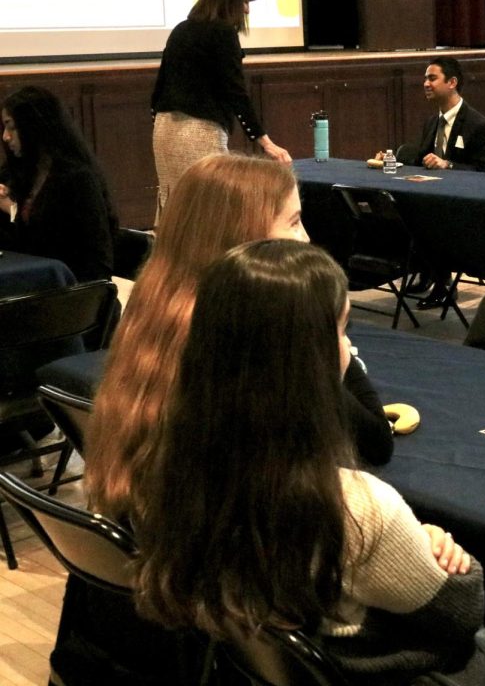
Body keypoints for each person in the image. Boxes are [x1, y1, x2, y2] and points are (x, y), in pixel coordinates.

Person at [132, 239, 485, 686]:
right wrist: (441, 555)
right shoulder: (355, 506)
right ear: (308, 360)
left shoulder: (171, 466)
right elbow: (461, 615)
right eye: (341, 332)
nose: (348, 348)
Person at [89, 155, 393, 522]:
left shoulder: (153, 308)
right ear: (245, 237)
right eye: (294, 223)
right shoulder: (248, 336)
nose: (307, 238)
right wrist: (334, 353)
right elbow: (374, 442)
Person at [151, 0, 290, 210]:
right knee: (209, 210)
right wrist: (265, 142)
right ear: (229, 0)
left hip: (164, 131)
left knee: (175, 209)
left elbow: (159, 87)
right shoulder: (223, 33)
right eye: (245, 1)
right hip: (198, 132)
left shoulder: (181, 29)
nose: (247, 10)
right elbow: (235, 91)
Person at [0, 86, 118, 281]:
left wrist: (12, 210)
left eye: (12, 127)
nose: (6, 136)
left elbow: (95, 260)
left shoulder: (77, 180)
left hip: (69, 290)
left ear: (34, 127)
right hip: (35, 282)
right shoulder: (18, 173)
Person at [418, 56, 485, 172]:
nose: (426, 84)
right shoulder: (431, 123)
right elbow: (419, 163)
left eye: (432, 79)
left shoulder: (478, 125)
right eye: (425, 79)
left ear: (452, 82)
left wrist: (448, 165)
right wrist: (391, 161)